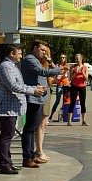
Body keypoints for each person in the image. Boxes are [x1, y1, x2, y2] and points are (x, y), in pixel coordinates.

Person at [0, 44, 46, 175]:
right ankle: (4, 164)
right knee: (6, 136)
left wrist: (34, 89)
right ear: (11, 53)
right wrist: (33, 90)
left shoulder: (11, 66)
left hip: (11, 107)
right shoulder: (6, 67)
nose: (21, 56)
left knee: (8, 135)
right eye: (19, 53)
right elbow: (14, 86)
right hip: (8, 107)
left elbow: (19, 84)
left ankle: (8, 163)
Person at [20, 40, 62, 168]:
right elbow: (43, 72)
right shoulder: (29, 59)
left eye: (45, 51)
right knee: (29, 128)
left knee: (34, 128)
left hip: (39, 98)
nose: (44, 53)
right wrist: (59, 70)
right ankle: (27, 157)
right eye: (42, 50)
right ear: (35, 48)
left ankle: (32, 155)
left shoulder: (36, 60)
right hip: (33, 98)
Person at [65, 54, 89, 126]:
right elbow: (70, 78)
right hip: (74, 86)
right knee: (72, 102)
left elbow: (86, 78)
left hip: (82, 86)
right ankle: (69, 120)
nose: (76, 61)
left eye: (77, 59)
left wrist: (82, 73)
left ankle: (84, 120)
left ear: (81, 59)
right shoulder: (73, 67)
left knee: (83, 103)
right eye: (75, 59)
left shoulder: (85, 67)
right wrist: (75, 73)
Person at [48, 54, 69, 122]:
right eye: (61, 57)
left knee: (65, 101)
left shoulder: (67, 66)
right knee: (57, 101)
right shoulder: (58, 66)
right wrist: (61, 76)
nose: (62, 59)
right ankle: (51, 116)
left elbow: (68, 76)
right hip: (59, 84)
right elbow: (57, 77)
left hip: (66, 84)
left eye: (63, 57)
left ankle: (64, 116)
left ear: (65, 58)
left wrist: (63, 75)